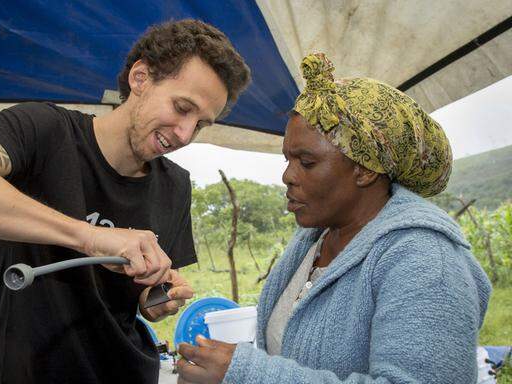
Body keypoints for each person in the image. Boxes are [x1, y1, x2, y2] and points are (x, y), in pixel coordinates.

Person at [0, 19, 251, 383]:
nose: (185, 133)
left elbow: (149, 297)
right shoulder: (45, 130)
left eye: (201, 124)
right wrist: (90, 236)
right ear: (141, 78)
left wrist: (159, 298)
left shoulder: (175, 185)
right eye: (181, 107)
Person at [177, 53, 492, 384]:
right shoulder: (315, 242)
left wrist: (246, 373)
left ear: (365, 170)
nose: (287, 176)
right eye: (288, 159)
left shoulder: (426, 260)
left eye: (307, 162)